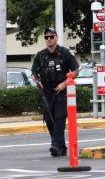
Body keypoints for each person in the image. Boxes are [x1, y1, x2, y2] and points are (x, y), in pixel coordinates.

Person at [31, 27, 79, 157]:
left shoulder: (65, 53)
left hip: (61, 91)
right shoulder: (40, 55)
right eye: (46, 37)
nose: (49, 39)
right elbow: (33, 73)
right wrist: (37, 82)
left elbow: (76, 70)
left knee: (59, 118)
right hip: (46, 91)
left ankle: (55, 145)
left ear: (56, 37)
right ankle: (60, 147)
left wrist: (65, 83)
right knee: (49, 119)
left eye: (51, 37)